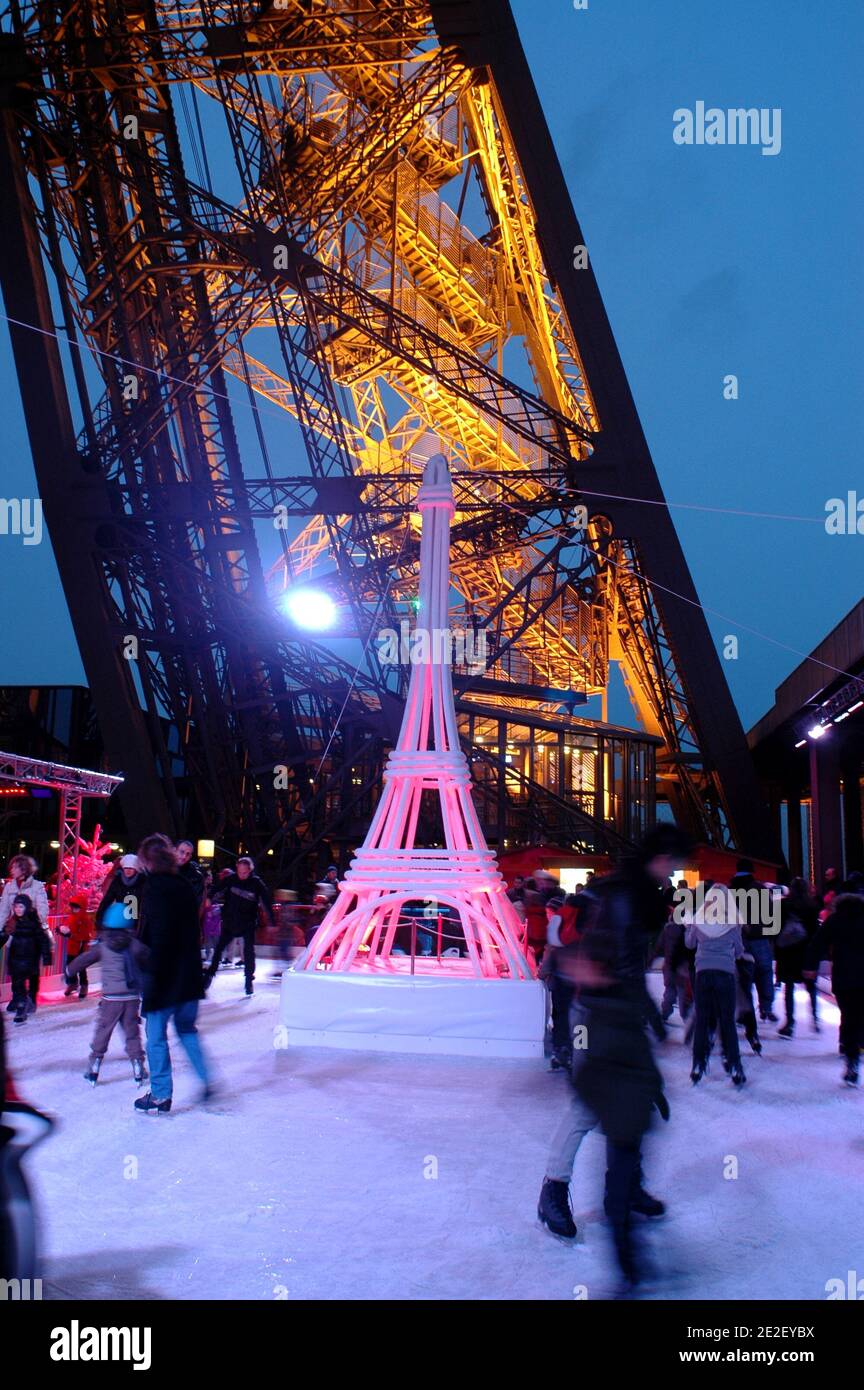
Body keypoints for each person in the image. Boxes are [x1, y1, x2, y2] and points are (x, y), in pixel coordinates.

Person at [538, 825, 690, 1293]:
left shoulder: (639, 894)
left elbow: (629, 967)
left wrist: (652, 1019)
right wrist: (589, 975)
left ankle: (624, 1189)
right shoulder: (622, 897)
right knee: (590, 1104)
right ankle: (553, 1191)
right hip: (594, 1014)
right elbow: (590, 956)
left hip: (616, 1011)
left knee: (631, 1100)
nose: (674, 873)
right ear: (658, 858)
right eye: (672, 863)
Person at [133, 834, 212, 1114]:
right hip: (188, 973)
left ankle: (160, 1094)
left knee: (155, 1035)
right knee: (186, 1029)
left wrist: (149, 967)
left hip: (166, 976)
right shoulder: (184, 885)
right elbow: (192, 931)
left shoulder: (155, 887)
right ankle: (207, 1078)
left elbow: (161, 934)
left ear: (148, 860)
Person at [64, 900, 150, 1086]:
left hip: (111, 999)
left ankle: (94, 1066)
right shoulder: (134, 944)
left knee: (103, 1031)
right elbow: (149, 957)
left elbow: (84, 959)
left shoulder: (103, 946)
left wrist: (69, 971)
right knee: (132, 1032)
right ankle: (138, 1066)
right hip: (131, 997)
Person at [685, 883, 746, 1086]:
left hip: (702, 973)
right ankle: (735, 1066)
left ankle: (697, 1064)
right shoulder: (733, 922)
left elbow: (689, 944)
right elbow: (738, 951)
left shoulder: (699, 919)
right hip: (725, 974)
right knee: (727, 1021)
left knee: (702, 1019)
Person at [806, 893, 864, 1086]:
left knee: (848, 1017)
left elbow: (817, 943)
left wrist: (810, 966)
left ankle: (851, 1060)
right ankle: (857, 1045)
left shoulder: (835, 920)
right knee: (859, 1016)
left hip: (843, 975)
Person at [205, 857, 274, 997]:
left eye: (245, 872)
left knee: (248, 952)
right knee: (219, 948)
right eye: (239, 871)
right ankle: (209, 975)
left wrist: (271, 921)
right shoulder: (231, 879)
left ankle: (248, 980)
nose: (242, 875)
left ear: (250, 870)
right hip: (230, 922)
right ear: (237, 868)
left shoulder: (256, 883)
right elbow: (218, 888)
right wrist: (209, 897)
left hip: (247, 923)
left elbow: (266, 901)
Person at [730, 858, 776, 1021]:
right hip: (760, 938)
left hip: (738, 939)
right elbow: (772, 915)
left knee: (742, 976)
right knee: (764, 972)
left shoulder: (730, 890)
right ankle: (766, 1008)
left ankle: (744, 1011)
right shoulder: (761, 889)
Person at [775, 877, 819, 1037]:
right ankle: (814, 1017)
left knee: (789, 987)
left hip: (788, 951)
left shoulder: (784, 905)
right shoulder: (812, 906)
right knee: (811, 986)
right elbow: (815, 931)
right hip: (806, 951)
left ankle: (789, 1022)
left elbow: (776, 928)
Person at [0, 896, 52, 1024]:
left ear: (27, 907)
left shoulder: (33, 923)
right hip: (16, 959)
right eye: (16, 906)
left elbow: (43, 940)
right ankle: (20, 1002)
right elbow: (4, 935)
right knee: (17, 984)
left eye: (21, 906)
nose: (18, 909)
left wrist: (46, 956)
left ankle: (23, 1007)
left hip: (30, 959)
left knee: (28, 982)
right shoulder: (12, 922)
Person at [0, 856, 50, 936]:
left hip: (31, 932)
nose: (11, 870)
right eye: (11, 867)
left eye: (15, 867)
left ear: (24, 869)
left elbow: (42, 910)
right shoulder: (9, 887)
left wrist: (41, 927)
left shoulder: (37, 886)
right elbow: (3, 910)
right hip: (13, 931)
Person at [59, 892, 94, 999]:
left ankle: (84, 985)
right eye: (73, 908)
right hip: (72, 948)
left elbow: (84, 936)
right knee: (70, 967)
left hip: (81, 949)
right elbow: (68, 930)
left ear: (82, 908)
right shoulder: (71, 917)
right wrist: (61, 930)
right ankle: (73, 983)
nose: (74, 910)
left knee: (81, 968)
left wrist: (70, 934)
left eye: (77, 908)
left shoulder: (85, 920)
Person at [95, 854, 144, 928]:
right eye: (126, 868)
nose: (128, 871)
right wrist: (99, 918)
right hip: (120, 919)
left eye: (131, 868)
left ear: (136, 869)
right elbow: (107, 899)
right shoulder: (118, 880)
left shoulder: (142, 881)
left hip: (137, 921)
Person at [175, 840, 206, 910]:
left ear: (190, 856)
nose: (184, 857)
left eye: (188, 854)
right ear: (174, 850)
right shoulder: (163, 870)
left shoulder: (196, 876)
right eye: (182, 852)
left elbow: (196, 903)